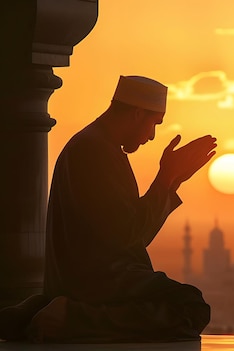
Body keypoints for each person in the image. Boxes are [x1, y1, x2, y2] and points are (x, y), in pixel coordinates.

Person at [0, 75, 216, 343]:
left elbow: (131, 234)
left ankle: (40, 312)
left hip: (88, 278)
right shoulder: (94, 152)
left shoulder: (96, 146)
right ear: (137, 114)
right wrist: (164, 178)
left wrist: (171, 180)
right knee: (191, 306)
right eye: (153, 124)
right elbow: (128, 236)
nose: (151, 136)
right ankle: (73, 319)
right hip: (99, 281)